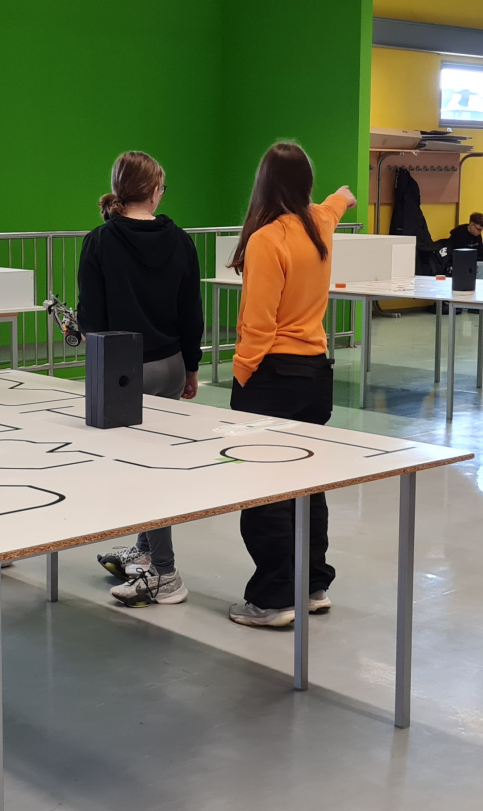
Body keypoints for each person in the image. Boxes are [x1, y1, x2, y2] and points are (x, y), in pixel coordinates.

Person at [224, 142, 356, 628]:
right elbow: (338, 203)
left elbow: (258, 323)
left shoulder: (267, 239)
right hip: (315, 375)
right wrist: (343, 196)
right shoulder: (318, 223)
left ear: (263, 184)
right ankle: (313, 584)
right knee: (307, 485)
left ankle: (275, 598)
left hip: (272, 376)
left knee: (264, 491)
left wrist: (242, 373)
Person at [77, 151, 204, 608]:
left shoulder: (99, 241)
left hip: (121, 372)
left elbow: (92, 320)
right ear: (153, 192)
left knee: (139, 473)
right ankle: (146, 551)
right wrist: (192, 366)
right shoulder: (181, 241)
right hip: (170, 364)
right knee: (155, 464)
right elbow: (191, 313)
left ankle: (165, 572)